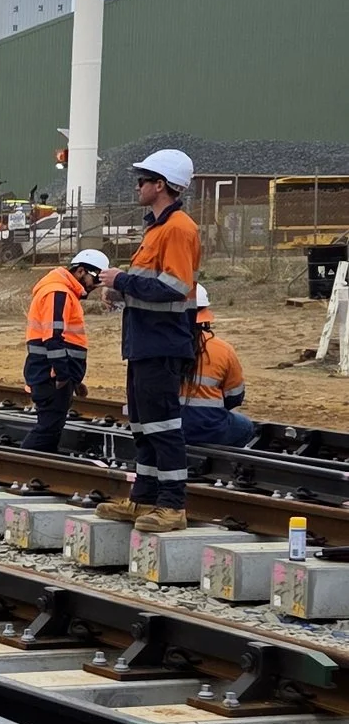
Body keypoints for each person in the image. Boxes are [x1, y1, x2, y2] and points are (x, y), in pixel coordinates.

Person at [106, 147, 203, 532]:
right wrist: (118, 293)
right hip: (145, 343)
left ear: (160, 185)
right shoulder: (157, 228)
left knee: (163, 427)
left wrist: (121, 281)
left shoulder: (178, 229)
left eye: (143, 180)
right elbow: (151, 286)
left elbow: (174, 287)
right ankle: (144, 499)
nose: (138, 186)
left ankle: (172, 507)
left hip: (162, 344)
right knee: (144, 426)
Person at [23, 248, 107, 451]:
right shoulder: (57, 293)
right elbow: (53, 338)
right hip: (50, 375)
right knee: (47, 430)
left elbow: (65, 340)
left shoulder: (64, 293)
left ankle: (35, 468)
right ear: (80, 271)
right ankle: (24, 466)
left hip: (53, 373)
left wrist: (74, 379)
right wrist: (62, 375)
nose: (96, 285)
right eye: (95, 278)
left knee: (51, 427)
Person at [181, 290, 255, 449]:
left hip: (166, 427)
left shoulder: (158, 347)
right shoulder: (222, 350)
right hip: (209, 427)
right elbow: (235, 396)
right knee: (246, 427)